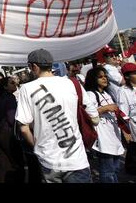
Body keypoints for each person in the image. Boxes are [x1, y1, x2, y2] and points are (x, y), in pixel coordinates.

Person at [16, 49, 98, 183]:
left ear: (34, 67)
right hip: (77, 159)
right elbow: (93, 116)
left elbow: (23, 128)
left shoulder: (26, 88)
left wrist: (36, 147)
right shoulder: (72, 83)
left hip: (48, 159)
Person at [84, 66, 125, 183]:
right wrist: (105, 108)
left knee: (115, 169)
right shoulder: (90, 94)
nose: (104, 79)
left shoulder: (107, 94)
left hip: (114, 137)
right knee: (108, 173)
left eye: (105, 76)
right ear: (93, 79)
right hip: (103, 139)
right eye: (100, 77)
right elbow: (87, 113)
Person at [0, 77, 25, 183]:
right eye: (12, 83)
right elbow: (12, 119)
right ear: (5, 86)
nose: (15, 84)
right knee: (16, 161)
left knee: (4, 162)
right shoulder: (9, 97)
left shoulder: (0, 97)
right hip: (8, 133)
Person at [117, 62, 136, 175]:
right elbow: (123, 113)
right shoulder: (123, 91)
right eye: (135, 73)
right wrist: (126, 131)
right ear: (127, 76)